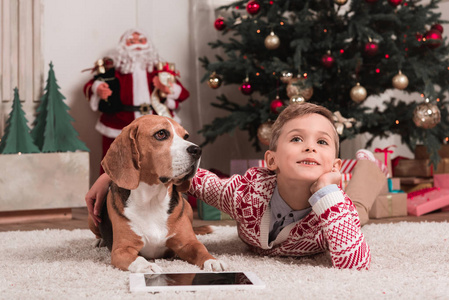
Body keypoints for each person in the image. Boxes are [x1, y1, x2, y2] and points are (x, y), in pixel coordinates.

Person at [85, 102, 387, 270]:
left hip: (333, 205)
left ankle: (369, 166)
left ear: (332, 164)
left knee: (358, 209)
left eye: (322, 142)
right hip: (276, 190)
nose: (310, 148)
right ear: (271, 159)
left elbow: (355, 263)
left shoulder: (335, 212)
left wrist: (328, 191)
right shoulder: (245, 195)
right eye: (297, 139)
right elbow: (198, 180)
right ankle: (360, 164)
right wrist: (113, 175)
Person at [83, 28, 190, 166]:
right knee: (115, 161)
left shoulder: (160, 71)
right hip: (120, 122)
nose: (137, 44)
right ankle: (109, 187)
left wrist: (166, 88)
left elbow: (183, 93)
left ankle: (162, 186)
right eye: (131, 41)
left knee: (160, 160)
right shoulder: (113, 71)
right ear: (122, 46)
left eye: (141, 41)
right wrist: (98, 88)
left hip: (155, 122)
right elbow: (90, 85)